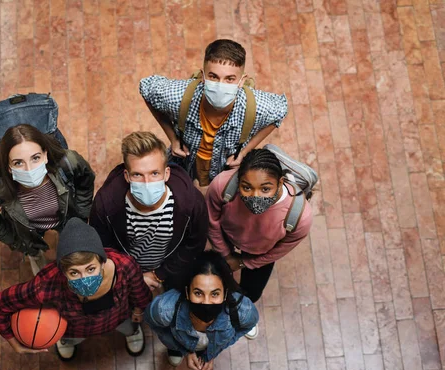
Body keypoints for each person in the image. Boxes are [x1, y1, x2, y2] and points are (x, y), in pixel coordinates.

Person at [0, 218, 152, 360]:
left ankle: (133, 332)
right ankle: (65, 340)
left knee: (130, 327)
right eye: (74, 272)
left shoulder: (125, 266)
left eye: (90, 269)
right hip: (75, 329)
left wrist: (138, 312)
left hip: (119, 318)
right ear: (62, 271)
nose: (84, 279)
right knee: (71, 339)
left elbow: (140, 294)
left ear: (102, 261)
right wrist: (13, 342)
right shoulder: (46, 286)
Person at [140, 39, 288, 186]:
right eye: (213, 77)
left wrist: (243, 152)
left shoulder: (256, 106)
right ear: (203, 76)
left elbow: (280, 111)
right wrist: (172, 138)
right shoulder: (179, 96)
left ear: (242, 81)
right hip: (186, 159)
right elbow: (146, 88)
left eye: (230, 79)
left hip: (225, 166)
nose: (220, 85)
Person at [89, 131, 208, 291]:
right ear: (127, 176)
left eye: (154, 173)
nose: (147, 183)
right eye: (137, 174)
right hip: (124, 273)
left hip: (172, 270)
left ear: (166, 174)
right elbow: (104, 248)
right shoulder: (105, 206)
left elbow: (193, 245)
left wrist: (160, 274)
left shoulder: (191, 203)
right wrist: (132, 276)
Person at [0, 124, 95, 275]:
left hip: (66, 218)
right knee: (40, 269)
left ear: (45, 155)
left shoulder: (68, 162)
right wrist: (17, 241)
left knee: (73, 253)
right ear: (8, 167)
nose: (29, 169)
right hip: (28, 234)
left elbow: (86, 180)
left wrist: (82, 215)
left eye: (35, 158)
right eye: (18, 162)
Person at [206, 148, 313, 302]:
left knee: (252, 293)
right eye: (247, 187)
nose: (255, 196)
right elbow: (212, 222)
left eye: (265, 189)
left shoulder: (300, 217)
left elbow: (278, 251)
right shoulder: (222, 185)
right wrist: (226, 254)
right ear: (238, 180)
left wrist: (244, 262)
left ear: (280, 182)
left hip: (260, 251)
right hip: (227, 234)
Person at [144, 251, 259, 370]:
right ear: (187, 292)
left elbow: (248, 325)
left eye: (215, 294)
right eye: (198, 293)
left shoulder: (243, 311)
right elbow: (154, 324)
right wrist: (182, 350)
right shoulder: (164, 310)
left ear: (225, 293)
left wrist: (214, 352)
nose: (206, 302)